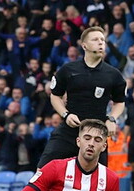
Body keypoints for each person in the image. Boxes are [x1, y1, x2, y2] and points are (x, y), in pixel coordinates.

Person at [39, 27, 127, 169]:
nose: (101, 43)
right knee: (42, 171)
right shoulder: (68, 70)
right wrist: (65, 114)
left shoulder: (113, 75)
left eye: (102, 40)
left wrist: (112, 118)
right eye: (95, 39)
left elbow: (119, 102)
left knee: (98, 179)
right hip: (69, 131)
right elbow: (55, 96)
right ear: (84, 45)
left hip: (96, 135)